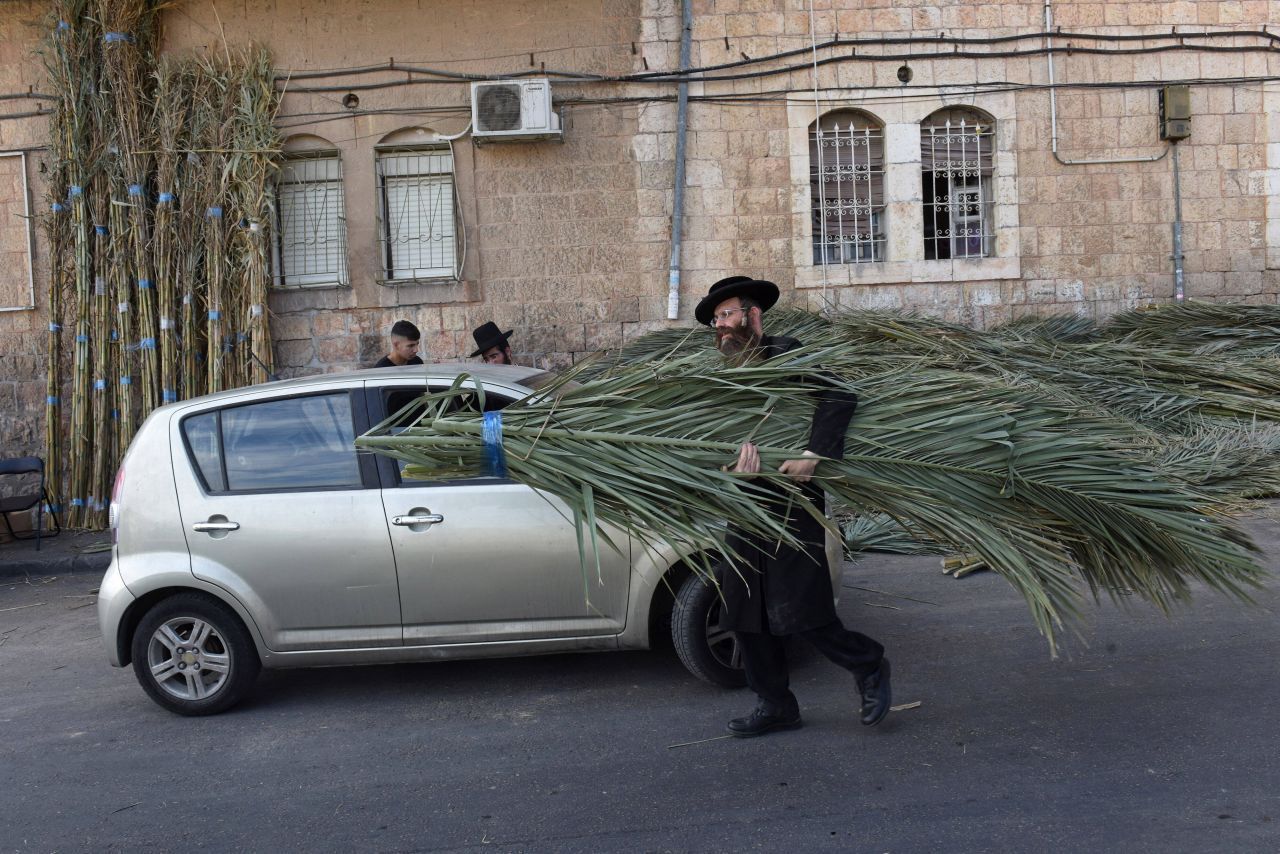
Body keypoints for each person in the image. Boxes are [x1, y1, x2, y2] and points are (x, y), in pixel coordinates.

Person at [693, 275, 892, 737]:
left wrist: (813, 455)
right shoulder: (718, 378)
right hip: (743, 504)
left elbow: (840, 394)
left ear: (753, 315)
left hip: (791, 499)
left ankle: (870, 665)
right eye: (716, 320)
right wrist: (723, 471)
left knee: (803, 609)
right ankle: (776, 704)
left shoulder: (789, 353)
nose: (721, 326)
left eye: (727, 315)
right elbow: (708, 443)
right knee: (744, 610)